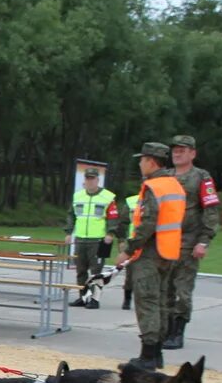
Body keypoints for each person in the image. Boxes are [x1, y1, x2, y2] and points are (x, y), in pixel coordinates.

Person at [115, 142, 184, 370]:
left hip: (150, 252)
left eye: (142, 159)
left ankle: (148, 355)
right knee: (163, 301)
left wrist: (129, 249)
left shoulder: (154, 187)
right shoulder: (174, 185)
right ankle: (157, 353)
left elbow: (147, 224)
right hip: (169, 251)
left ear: (152, 162)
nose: (140, 163)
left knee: (147, 302)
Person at [164, 134, 220, 349]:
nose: (177, 153)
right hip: (165, 243)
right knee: (164, 290)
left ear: (193, 153)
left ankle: (177, 332)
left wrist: (204, 240)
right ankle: (166, 331)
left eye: (183, 150)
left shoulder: (201, 177)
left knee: (182, 291)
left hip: (188, 243)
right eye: (175, 150)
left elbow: (210, 210)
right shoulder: (165, 176)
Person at [64, 167, 118, 308]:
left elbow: (113, 217)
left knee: (96, 272)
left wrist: (110, 233)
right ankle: (83, 297)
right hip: (81, 239)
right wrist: (69, 232)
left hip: (99, 240)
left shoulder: (108, 197)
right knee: (80, 270)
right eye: (87, 178)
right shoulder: (78, 196)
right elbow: (71, 215)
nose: (90, 181)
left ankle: (94, 299)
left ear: (97, 180)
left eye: (92, 178)